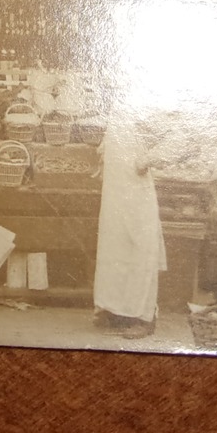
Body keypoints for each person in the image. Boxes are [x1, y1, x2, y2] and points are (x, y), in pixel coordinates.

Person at [92, 114, 171, 340]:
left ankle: (145, 317)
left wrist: (148, 158)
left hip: (136, 188)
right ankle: (115, 310)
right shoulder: (120, 101)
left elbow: (178, 131)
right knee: (114, 247)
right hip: (115, 187)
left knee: (141, 248)